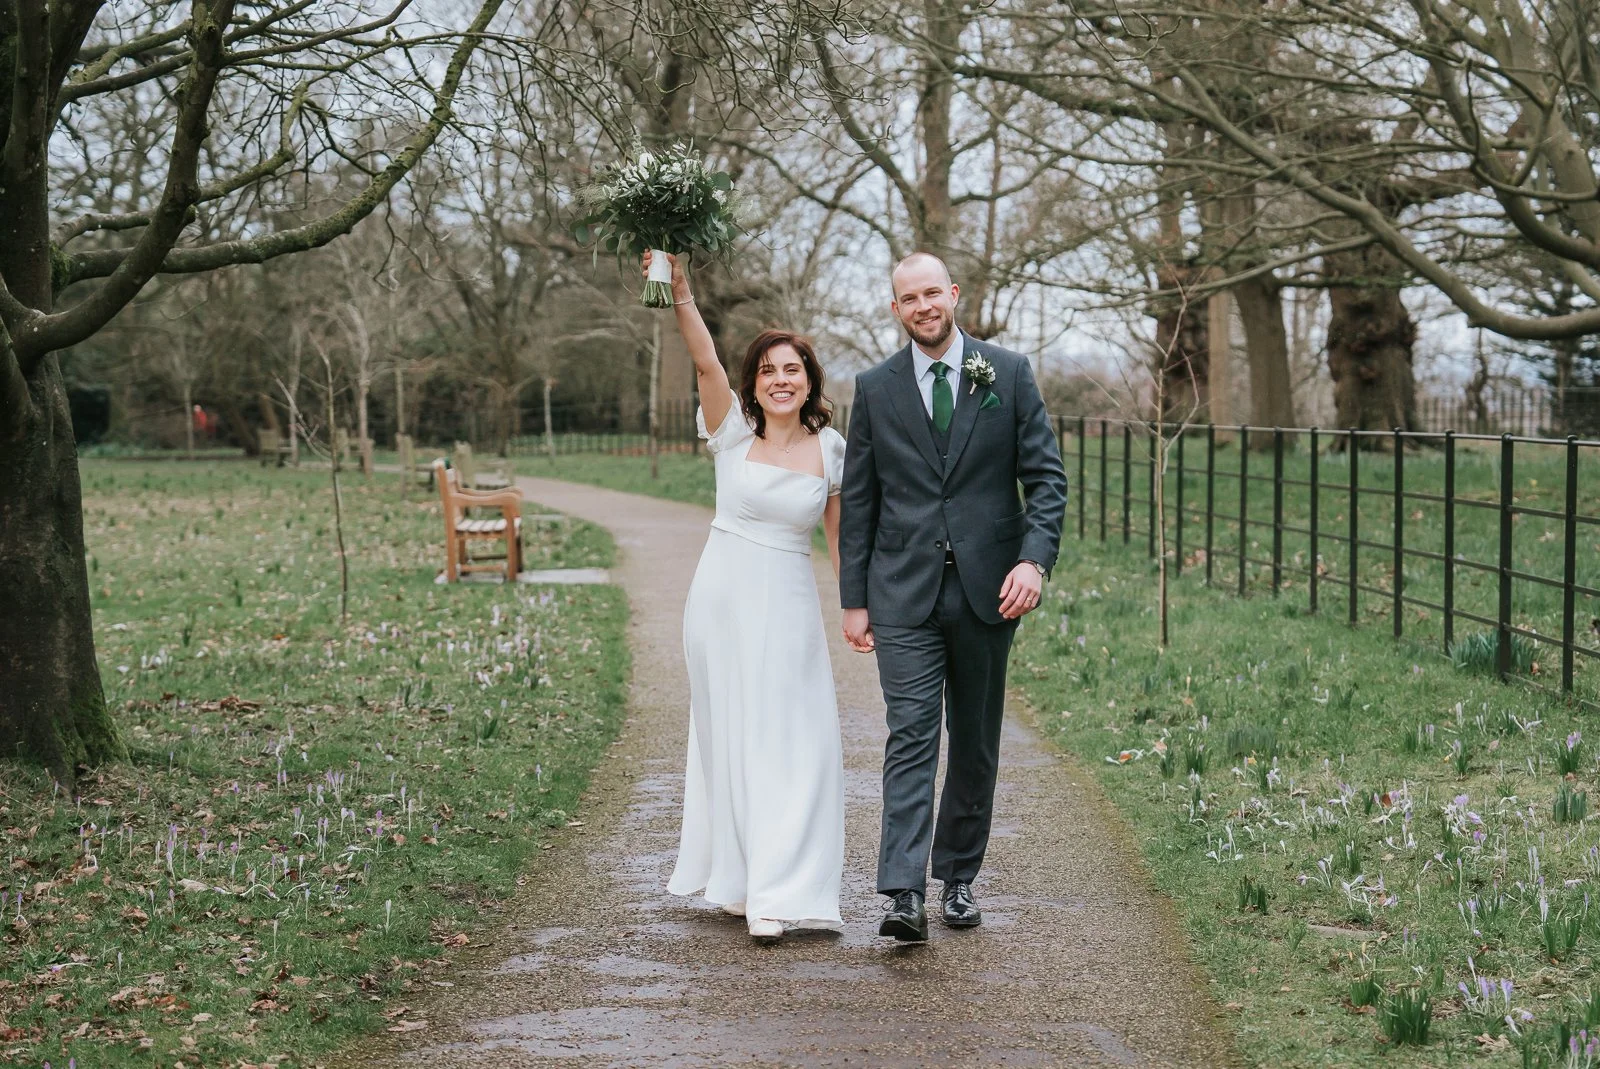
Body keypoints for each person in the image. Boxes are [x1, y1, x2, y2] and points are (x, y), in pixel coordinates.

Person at [839, 251, 1068, 942]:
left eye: (931, 293)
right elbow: (859, 499)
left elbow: (1047, 480)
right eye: (908, 298)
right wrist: (854, 598)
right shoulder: (874, 388)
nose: (923, 306)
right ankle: (903, 891)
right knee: (911, 733)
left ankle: (958, 876)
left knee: (973, 740)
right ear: (895, 309)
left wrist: (1034, 561)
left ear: (954, 294)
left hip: (989, 589)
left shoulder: (1009, 372)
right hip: (902, 591)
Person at [652, 252, 847, 944]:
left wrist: (857, 609)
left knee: (796, 743)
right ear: (755, 385)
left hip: (790, 605)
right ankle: (743, 883)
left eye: (792, 368)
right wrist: (681, 292)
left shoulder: (832, 450)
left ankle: (783, 885)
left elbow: (839, 539)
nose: (781, 379)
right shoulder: (732, 435)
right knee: (732, 737)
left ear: (810, 380)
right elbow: (704, 361)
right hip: (722, 601)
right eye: (768, 370)